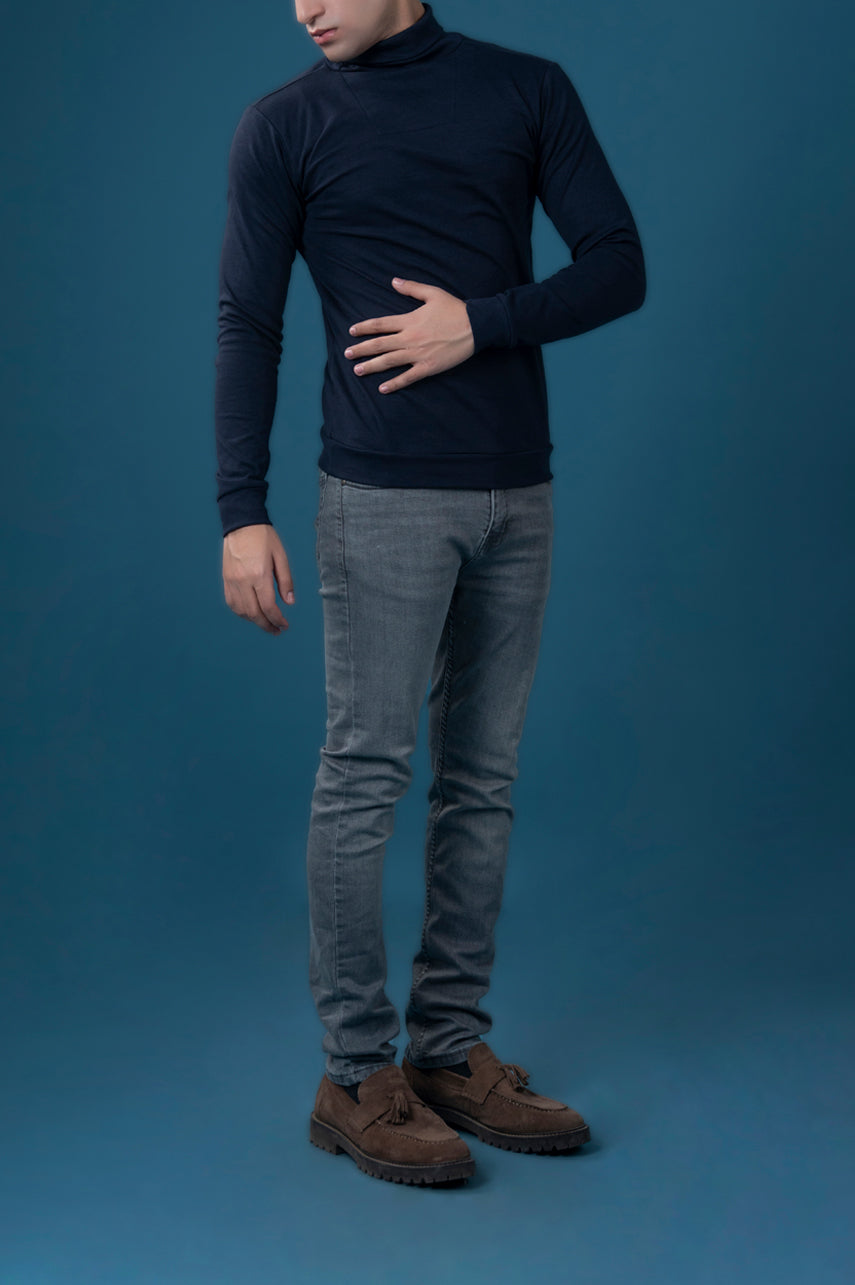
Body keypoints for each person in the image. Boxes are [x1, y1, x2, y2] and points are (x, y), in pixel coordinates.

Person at [215, 0, 645, 1186]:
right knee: (365, 773)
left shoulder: (527, 89)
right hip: (380, 496)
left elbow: (619, 264)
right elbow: (248, 318)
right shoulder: (284, 125)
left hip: (519, 492)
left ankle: (448, 1050)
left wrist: (481, 325)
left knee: (483, 781)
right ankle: (357, 1074)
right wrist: (240, 510)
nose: (304, 6)